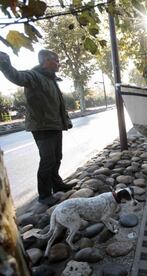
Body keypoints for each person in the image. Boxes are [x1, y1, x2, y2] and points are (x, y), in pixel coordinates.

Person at [0, 50, 74, 206]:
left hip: (55, 125)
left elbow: (58, 105)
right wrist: (5, 64)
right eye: (57, 60)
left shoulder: (51, 79)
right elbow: (16, 76)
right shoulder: (34, 76)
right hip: (42, 127)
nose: (59, 64)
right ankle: (45, 195)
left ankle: (57, 184)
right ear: (46, 60)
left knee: (57, 157)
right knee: (47, 160)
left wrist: (65, 121)